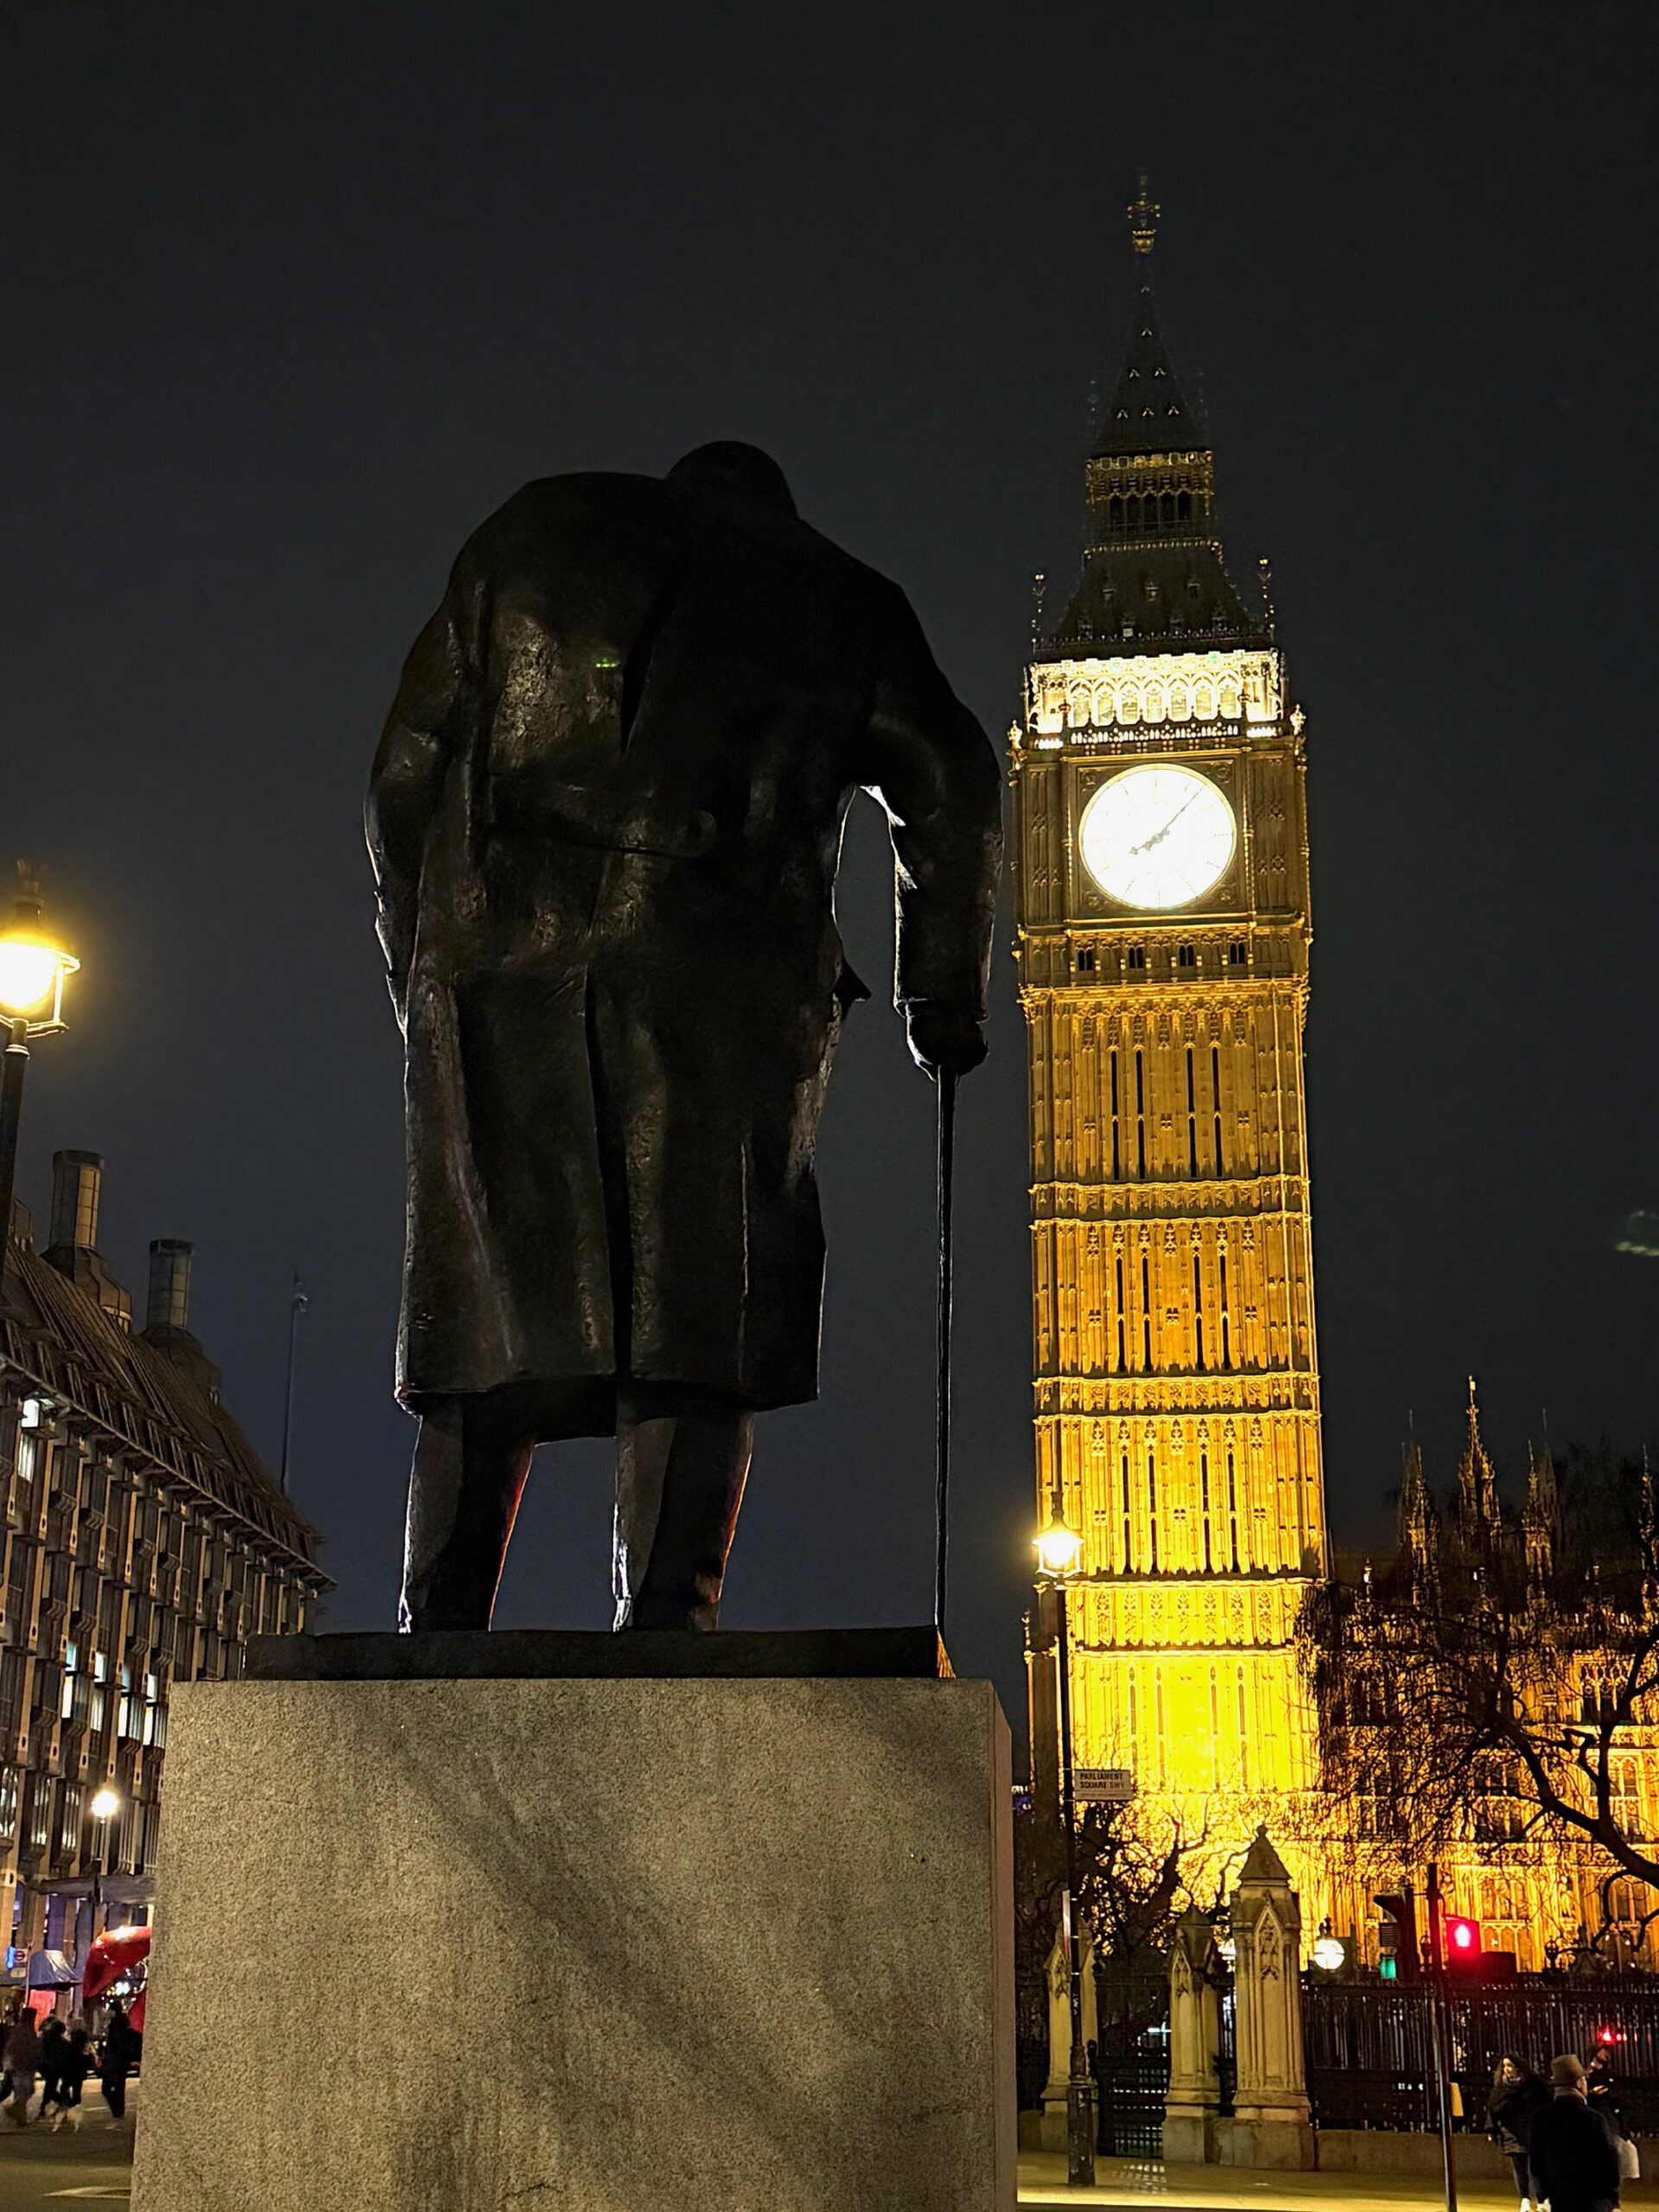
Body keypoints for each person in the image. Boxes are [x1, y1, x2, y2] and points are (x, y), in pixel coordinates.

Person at [369, 441, 1003, 1634]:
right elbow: (955, 777)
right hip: (716, 985)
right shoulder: (843, 596)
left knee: (487, 1306)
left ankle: (438, 1619)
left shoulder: (526, 528)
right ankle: (667, 1617)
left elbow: (401, 776)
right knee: (696, 1304)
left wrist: (428, 963)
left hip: (501, 970)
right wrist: (942, 993)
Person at [1529, 2053, 1622, 2212]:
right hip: (1593, 2199)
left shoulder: (1540, 2119)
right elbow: (1609, 2159)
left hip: (1559, 2198)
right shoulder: (1593, 2119)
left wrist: (1543, 2196)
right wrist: (1613, 2199)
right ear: (1579, 2083)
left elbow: (1536, 2162)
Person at [1490, 2054, 1549, 2209]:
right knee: (1520, 2167)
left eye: (1510, 2065)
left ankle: (1543, 2199)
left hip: (1532, 2130)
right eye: (1504, 2066)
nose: (1507, 2070)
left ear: (1518, 2067)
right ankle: (1525, 2199)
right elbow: (1493, 2108)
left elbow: (1544, 2103)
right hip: (1512, 2132)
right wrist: (1492, 2129)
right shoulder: (1501, 2088)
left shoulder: (1534, 2085)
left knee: (1536, 2167)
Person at [98, 1998, 139, 2126]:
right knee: (116, 2087)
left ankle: (118, 2111)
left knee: (110, 2087)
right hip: (116, 2060)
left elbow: (119, 2043)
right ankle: (118, 2111)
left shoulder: (119, 2024)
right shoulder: (117, 2023)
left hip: (117, 2060)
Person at [2, 2005, 40, 2126]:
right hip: (21, 2066)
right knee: (24, 2091)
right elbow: (17, 2048)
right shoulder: (23, 2030)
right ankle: (14, 2111)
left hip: (24, 2065)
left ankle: (20, 2117)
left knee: (24, 2092)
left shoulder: (25, 2030)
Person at [53, 2018, 92, 2132]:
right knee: (75, 2092)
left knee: (65, 2090)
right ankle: (74, 2112)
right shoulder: (81, 2051)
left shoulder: (70, 2048)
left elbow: (64, 2061)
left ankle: (68, 2109)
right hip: (77, 2075)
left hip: (69, 2074)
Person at [35, 2012, 67, 2121]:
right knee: (50, 2088)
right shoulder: (57, 2041)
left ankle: (45, 2109)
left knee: (49, 2089)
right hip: (52, 2067)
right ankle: (60, 2104)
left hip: (51, 2066)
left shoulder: (50, 2040)